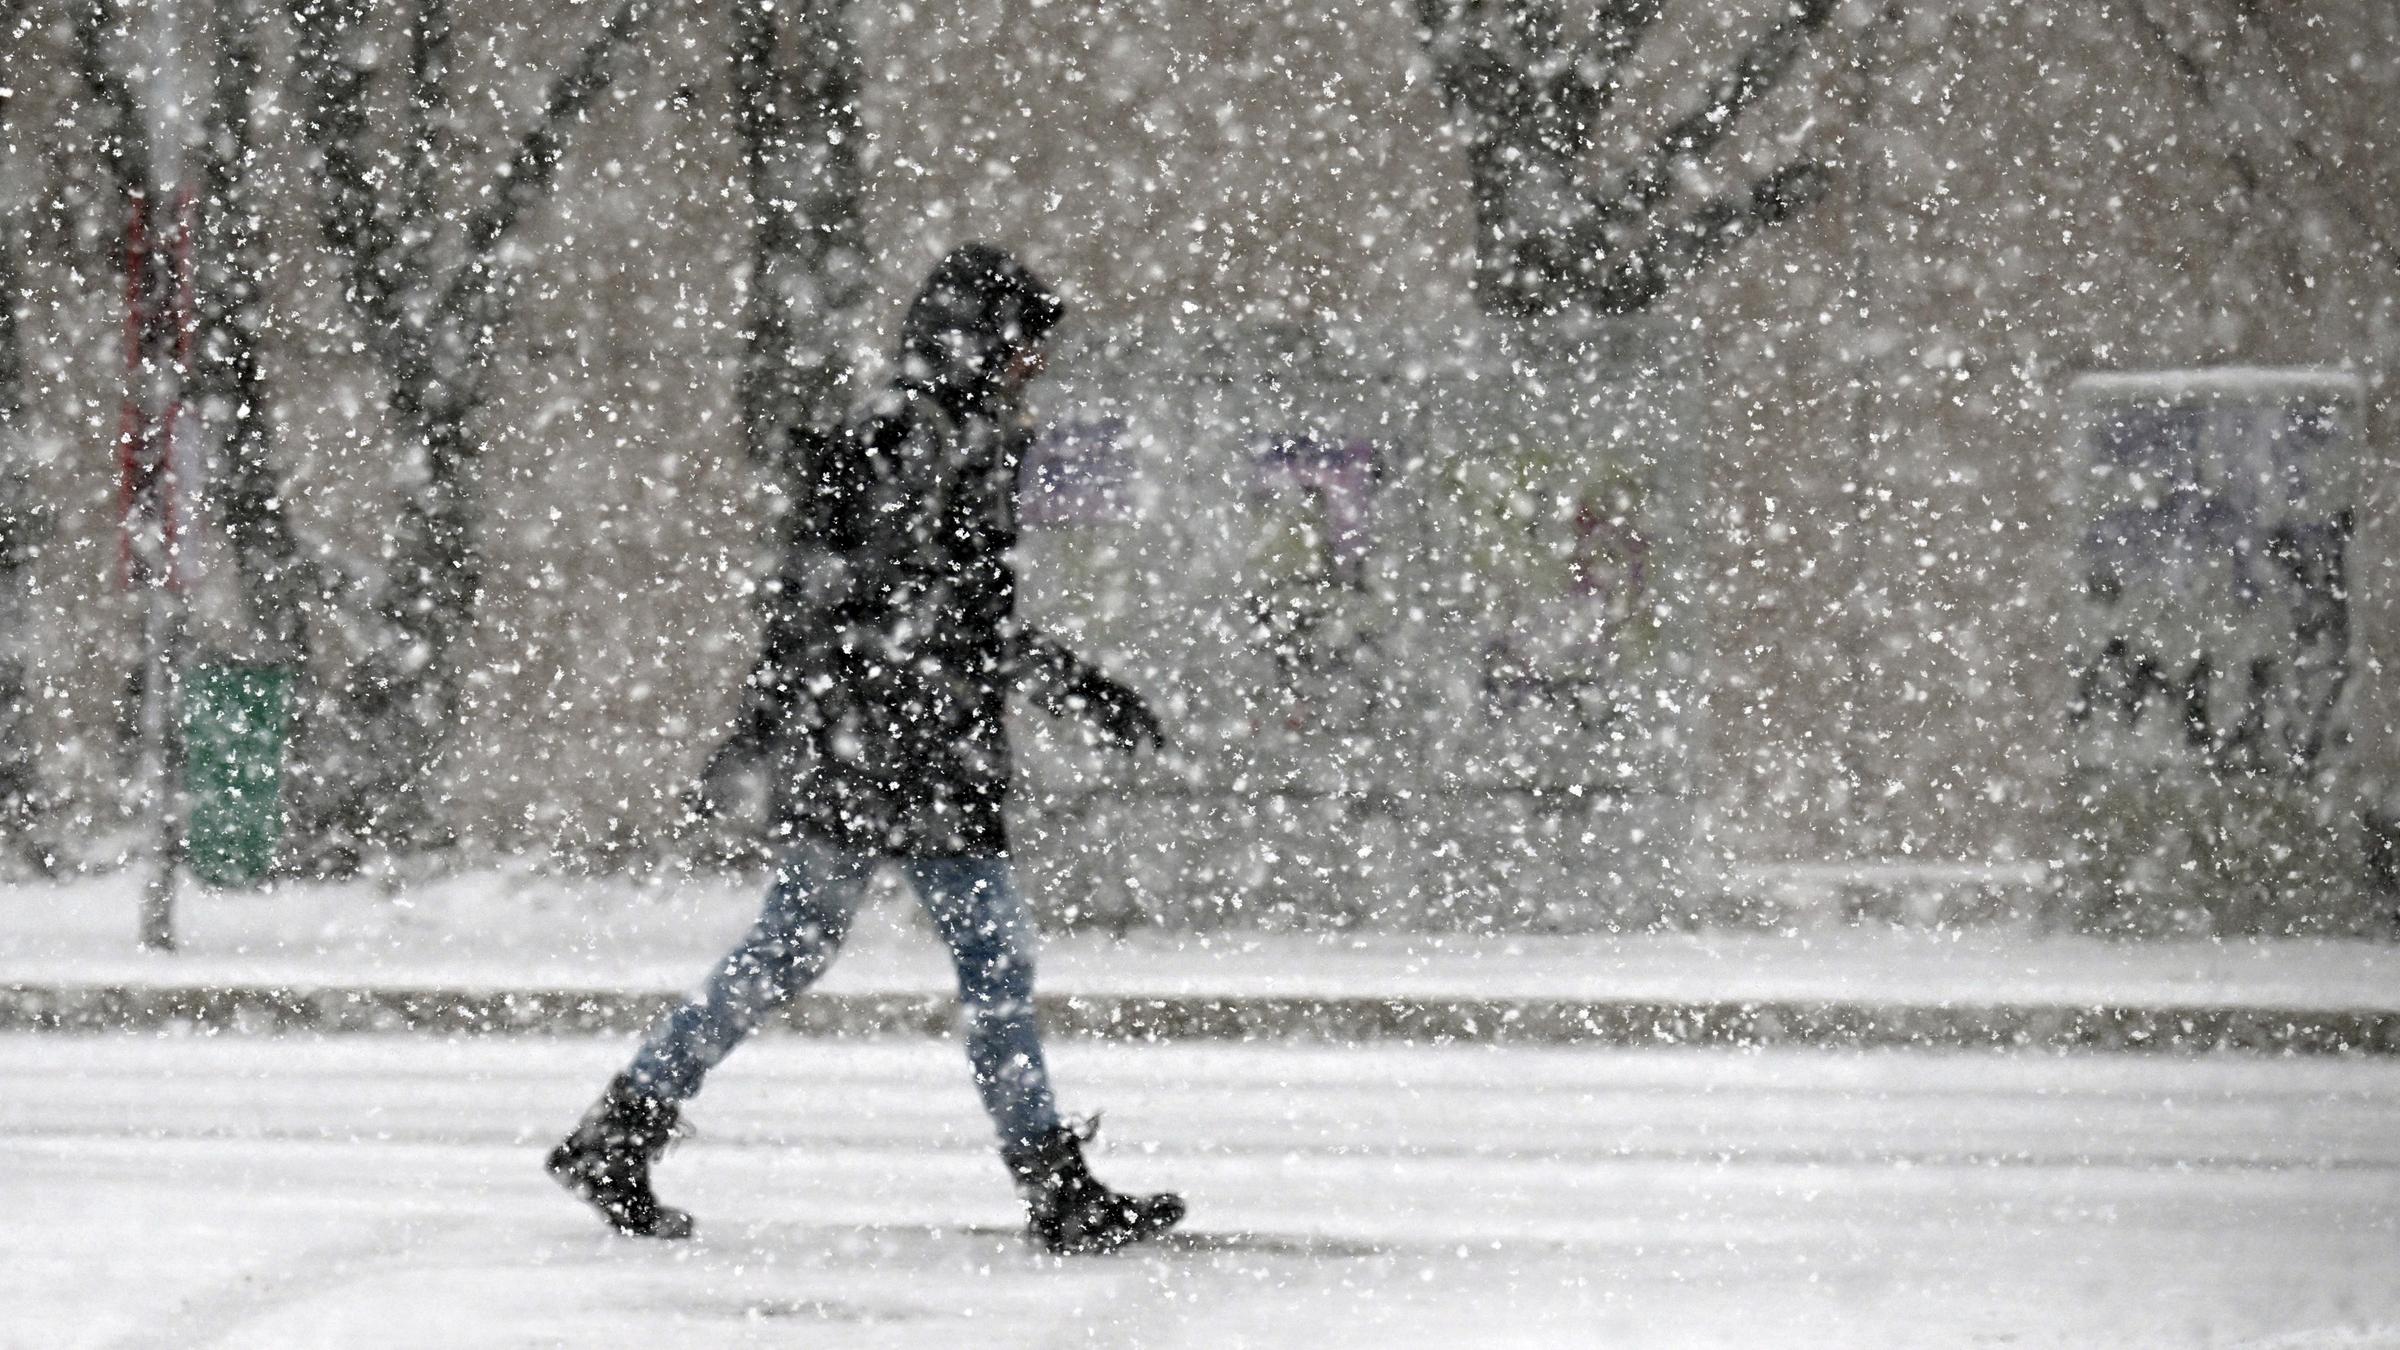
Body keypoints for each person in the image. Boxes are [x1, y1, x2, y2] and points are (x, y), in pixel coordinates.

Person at [548, 244, 1185, 1255]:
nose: (1035, 369)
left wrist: (1071, 686)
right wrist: (796, 714)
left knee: (797, 945)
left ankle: (622, 1127)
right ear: (978, 337)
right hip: (908, 745)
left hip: (888, 739)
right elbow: (851, 595)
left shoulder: (950, 431)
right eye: (1024, 347)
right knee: (984, 959)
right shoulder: (911, 434)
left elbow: (937, 606)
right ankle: (1053, 1188)